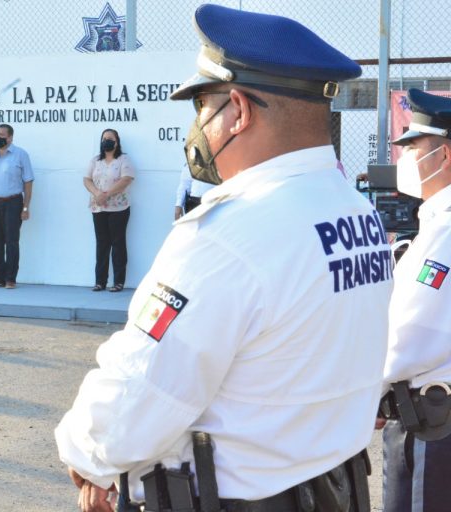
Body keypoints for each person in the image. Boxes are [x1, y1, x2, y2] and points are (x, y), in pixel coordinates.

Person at [55, 5, 393, 512]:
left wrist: (88, 456)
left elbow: (143, 388)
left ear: (238, 109)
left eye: (202, 109)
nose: (199, 128)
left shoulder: (228, 234)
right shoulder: (355, 210)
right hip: (336, 488)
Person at [379, 88, 451, 512]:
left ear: (444, 155)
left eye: (414, 146)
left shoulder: (444, 233)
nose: (405, 157)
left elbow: (409, 336)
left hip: (431, 429)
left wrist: (360, 394)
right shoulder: (435, 224)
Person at [0, 123, 34, 289]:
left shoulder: (20, 155)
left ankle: (10, 278)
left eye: (2, 135)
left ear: (10, 137)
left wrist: (25, 207)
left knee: (11, 241)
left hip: (12, 202)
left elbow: (28, 182)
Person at [83, 129, 134, 292]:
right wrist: (98, 193)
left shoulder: (123, 159)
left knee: (118, 243)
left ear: (117, 141)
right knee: (102, 244)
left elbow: (127, 179)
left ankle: (118, 282)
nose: (107, 141)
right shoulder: (95, 161)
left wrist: (107, 194)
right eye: (104, 138)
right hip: (98, 208)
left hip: (119, 208)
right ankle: (100, 281)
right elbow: (87, 179)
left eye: (110, 139)